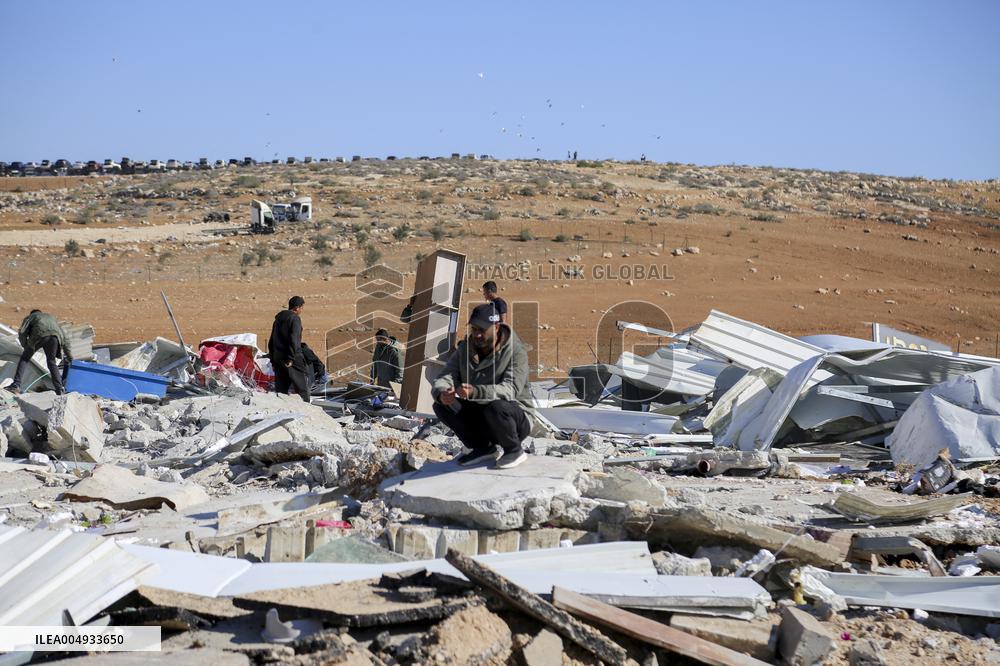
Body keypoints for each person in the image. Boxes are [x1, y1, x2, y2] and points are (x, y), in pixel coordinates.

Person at [431, 302, 531, 469]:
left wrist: (476, 392)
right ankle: (482, 448)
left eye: (482, 330)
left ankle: (514, 450)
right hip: (482, 414)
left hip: (513, 419)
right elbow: (446, 375)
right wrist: (442, 393)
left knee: (496, 406)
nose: (477, 334)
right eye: (474, 329)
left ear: (497, 327)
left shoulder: (516, 352)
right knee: (442, 406)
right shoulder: (465, 349)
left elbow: (510, 389)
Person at [10, 309, 72, 394]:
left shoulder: (31, 317)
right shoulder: (51, 318)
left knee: (24, 359)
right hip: (55, 338)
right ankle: (59, 388)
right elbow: (65, 338)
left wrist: (25, 346)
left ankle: (16, 385)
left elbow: (22, 332)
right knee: (51, 362)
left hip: (38, 336)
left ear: (32, 313)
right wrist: (70, 357)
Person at [268, 296, 309, 402]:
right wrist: (290, 358)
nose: (302, 310)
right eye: (301, 308)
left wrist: (273, 360)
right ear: (297, 308)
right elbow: (294, 340)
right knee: (302, 389)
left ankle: (283, 412)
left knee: (281, 391)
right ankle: (307, 414)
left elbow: (271, 341)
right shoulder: (294, 318)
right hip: (291, 359)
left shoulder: (278, 319)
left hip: (278, 358)